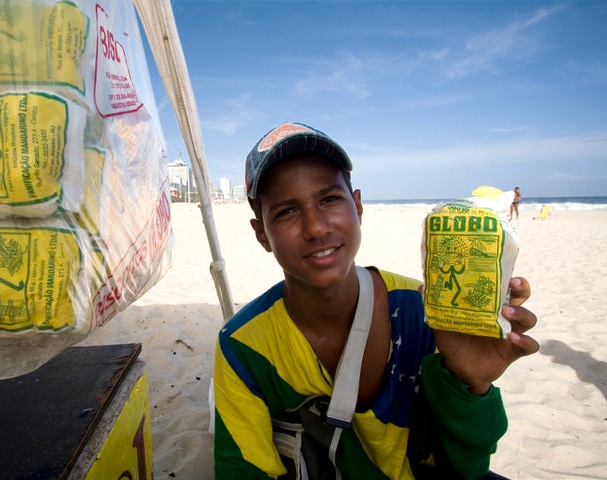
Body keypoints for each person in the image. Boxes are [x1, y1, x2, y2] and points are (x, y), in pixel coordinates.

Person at [213, 122, 539, 479]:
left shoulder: (426, 311)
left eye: (329, 199)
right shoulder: (243, 346)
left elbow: (463, 468)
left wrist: (472, 387)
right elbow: (242, 470)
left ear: (357, 206)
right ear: (261, 233)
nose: (317, 228)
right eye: (287, 211)